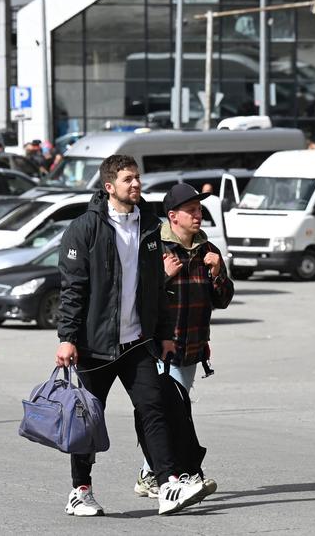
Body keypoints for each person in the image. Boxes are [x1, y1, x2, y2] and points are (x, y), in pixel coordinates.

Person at [55, 154, 211, 517]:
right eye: (128, 179)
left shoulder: (150, 227)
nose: (136, 184)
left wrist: (164, 335)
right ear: (110, 187)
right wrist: (67, 337)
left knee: (153, 407)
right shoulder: (85, 228)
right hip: (94, 345)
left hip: (137, 342)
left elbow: (155, 288)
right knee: (88, 419)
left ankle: (168, 483)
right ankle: (80, 490)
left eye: (137, 178)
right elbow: (73, 287)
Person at [134, 183, 233, 498]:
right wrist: (161, 276)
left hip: (191, 347)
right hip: (160, 345)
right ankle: (178, 474)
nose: (198, 215)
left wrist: (218, 273)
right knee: (172, 410)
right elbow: (136, 298)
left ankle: (151, 474)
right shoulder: (155, 248)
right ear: (172, 216)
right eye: (191, 210)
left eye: (199, 209)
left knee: (168, 410)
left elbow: (223, 300)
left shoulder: (208, 250)